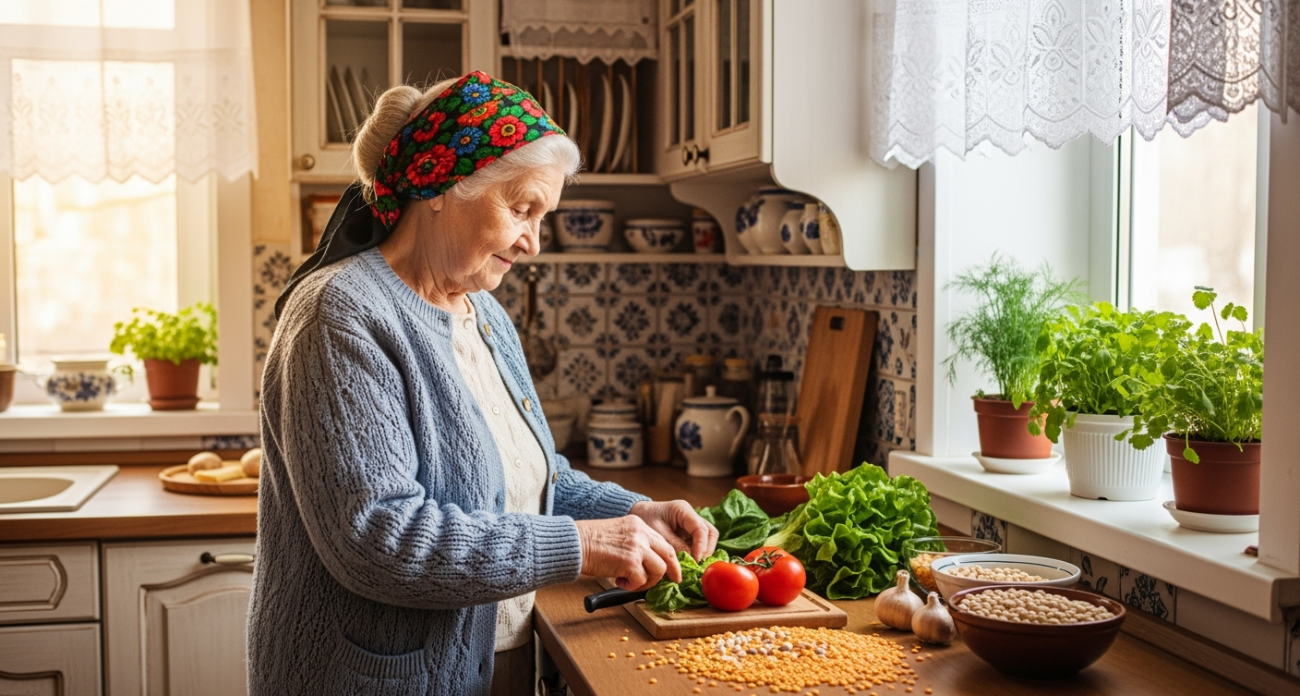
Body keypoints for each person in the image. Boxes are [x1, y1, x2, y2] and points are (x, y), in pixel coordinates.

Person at [247, 71, 719, 696]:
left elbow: (529, 477)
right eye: (522, 209)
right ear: (441, 183)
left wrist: (631, 512)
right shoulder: (340, 314)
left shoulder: (482, 311)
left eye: (542, 216)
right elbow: (380, 537)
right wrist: (584, 544)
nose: (533, 242)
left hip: (493, 664)